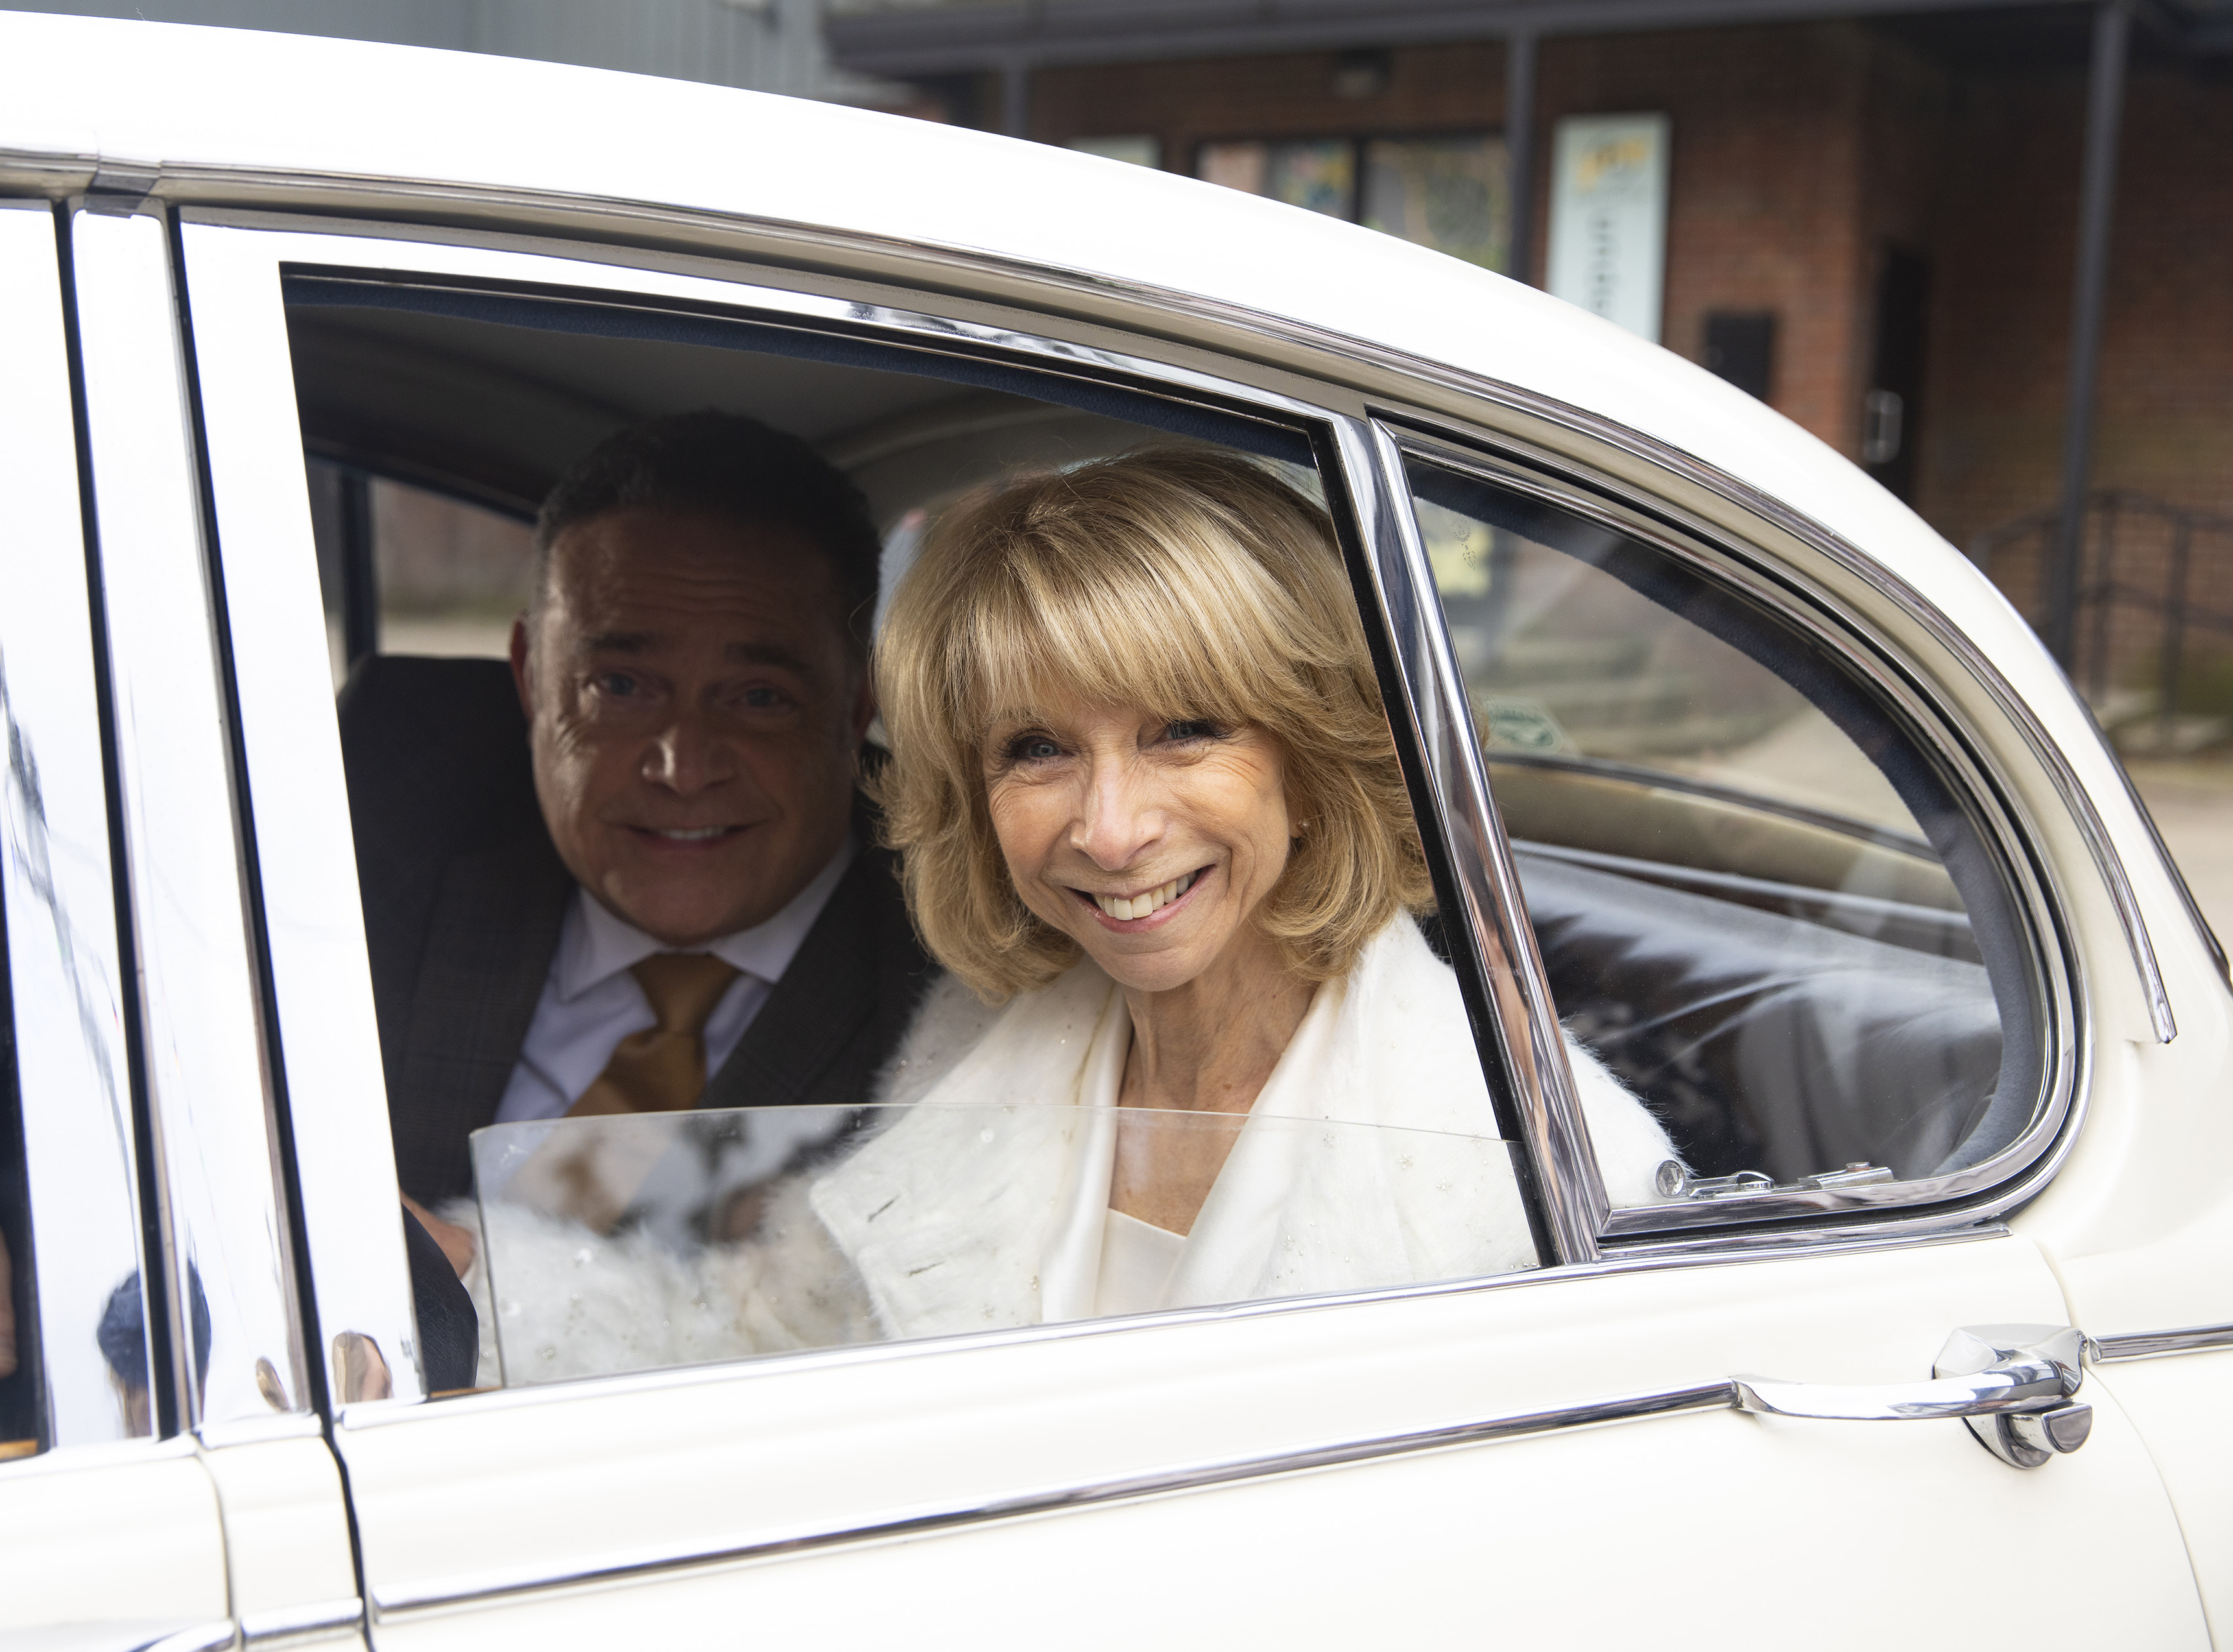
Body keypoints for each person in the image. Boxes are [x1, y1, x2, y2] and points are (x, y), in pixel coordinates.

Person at [0, 411, 935, 1445]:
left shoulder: (953, 950)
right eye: (620, 687)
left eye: (759, 696)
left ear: (860, 702)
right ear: (531, 674)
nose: (682, 763)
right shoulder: (407, 768)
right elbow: (13, 915)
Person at [462, 447, 1676, 1385]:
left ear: (1314, 756)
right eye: (1037, 749)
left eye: (1185, 731)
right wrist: (470, 1274)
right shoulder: (986, 1040)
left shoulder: (1551, 1172)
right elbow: (773, 1341)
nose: (1106, 829)